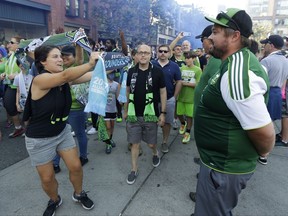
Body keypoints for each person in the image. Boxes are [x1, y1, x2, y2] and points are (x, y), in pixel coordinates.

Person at [192, 8, 275, 216]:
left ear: (235, 36)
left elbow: (265, 135)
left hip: (223, 169)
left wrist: (262, 151)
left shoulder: (237, 74)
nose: (210, 36)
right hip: (218, 165)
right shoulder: (231, 62)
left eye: (216, 31)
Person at [24, 45, 98, 216]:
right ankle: (55, 200)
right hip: (39, 138)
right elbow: (66, 75)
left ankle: (79, 194)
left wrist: (107, 66)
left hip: (62, 132)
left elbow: (89, 75)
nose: (61, 60)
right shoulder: (40, 80)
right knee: (47, 178)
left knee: (76, 166)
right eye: (55, 57)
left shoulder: (64, 79)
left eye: (61, 56)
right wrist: (89, 63)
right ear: (43, 62)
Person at [124, 44, 166, 185]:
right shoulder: (131, 72)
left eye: (146, 53)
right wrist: (125, 110)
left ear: (151, 55)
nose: (143, 55)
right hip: (133, 114)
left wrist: (163, 112)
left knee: (151, 144)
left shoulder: (158, 72)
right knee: (135, 144)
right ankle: (134, 169)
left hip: (150, 114)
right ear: (136, 55)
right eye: (140, 52)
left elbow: (162, 92)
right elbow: (128, 91)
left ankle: (155, 153)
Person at [53, 44, 90, 174]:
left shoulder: (78, 67)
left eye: (66, 55)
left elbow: (80, 58)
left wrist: (78, 43)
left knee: (80, 133)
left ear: (74, 56)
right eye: (61, 56)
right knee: (59, 136)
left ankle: (84, 156)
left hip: (76, 109)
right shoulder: (60, 68)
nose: (63, 58)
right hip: (62, 109)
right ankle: (55, 163)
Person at [258, 35, 288, 164]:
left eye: (266, 44)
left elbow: (259, 80)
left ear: (271, 45)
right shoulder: (285, 60)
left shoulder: (267, 61)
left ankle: (262, 152)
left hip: (266, 92)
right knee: (269, 123)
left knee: (261, 124)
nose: (264, 46)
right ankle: (264, 154)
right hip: (277, 93)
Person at [152, 44, 182, 153]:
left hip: (169, 99)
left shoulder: (174, 66)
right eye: (161, 51)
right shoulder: (152, 64)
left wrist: (174, 96)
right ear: (157, 52)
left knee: (167, 123)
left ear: (169, 53)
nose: (163, 53)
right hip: (153, 100)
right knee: (151, 122)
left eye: (165, 51)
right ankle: (152, 142)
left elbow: (179, 81)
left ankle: (164, 142)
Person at [3, 36, 25, 137]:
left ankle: (24, 129)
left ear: (19, 44)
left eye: (11, 42)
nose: (8, 45)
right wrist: (4, 74)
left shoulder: (22, 54)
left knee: (23, 107)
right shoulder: (11, 55)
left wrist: (16, 75)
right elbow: (9, 69)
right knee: (9, 106)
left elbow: (28, 70)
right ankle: (19, 128)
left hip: (21, 86)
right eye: (9, 43)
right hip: (11, 85)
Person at [177, 51, 202, 144]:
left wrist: (185, 83)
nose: (187, 60)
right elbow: (177, 80)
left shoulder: (198, 70)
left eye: (189, 58)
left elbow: (198, 84)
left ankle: (187, 133)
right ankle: (183, 123)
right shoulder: (181, 68)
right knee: (179, 113)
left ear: (194, 59)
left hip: (191, 97)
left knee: (189, 116)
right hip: (181, 95)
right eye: (186, 58)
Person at [102, 73, 120, 154]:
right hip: (105, 109)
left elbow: (118, 97)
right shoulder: (102, 83)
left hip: (113, 109)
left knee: (112, 126)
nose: (112, 75)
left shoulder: (116, 84)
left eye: (113, 73)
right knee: (108, 127)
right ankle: (108, 144)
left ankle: (110, 139)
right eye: (110, 73)